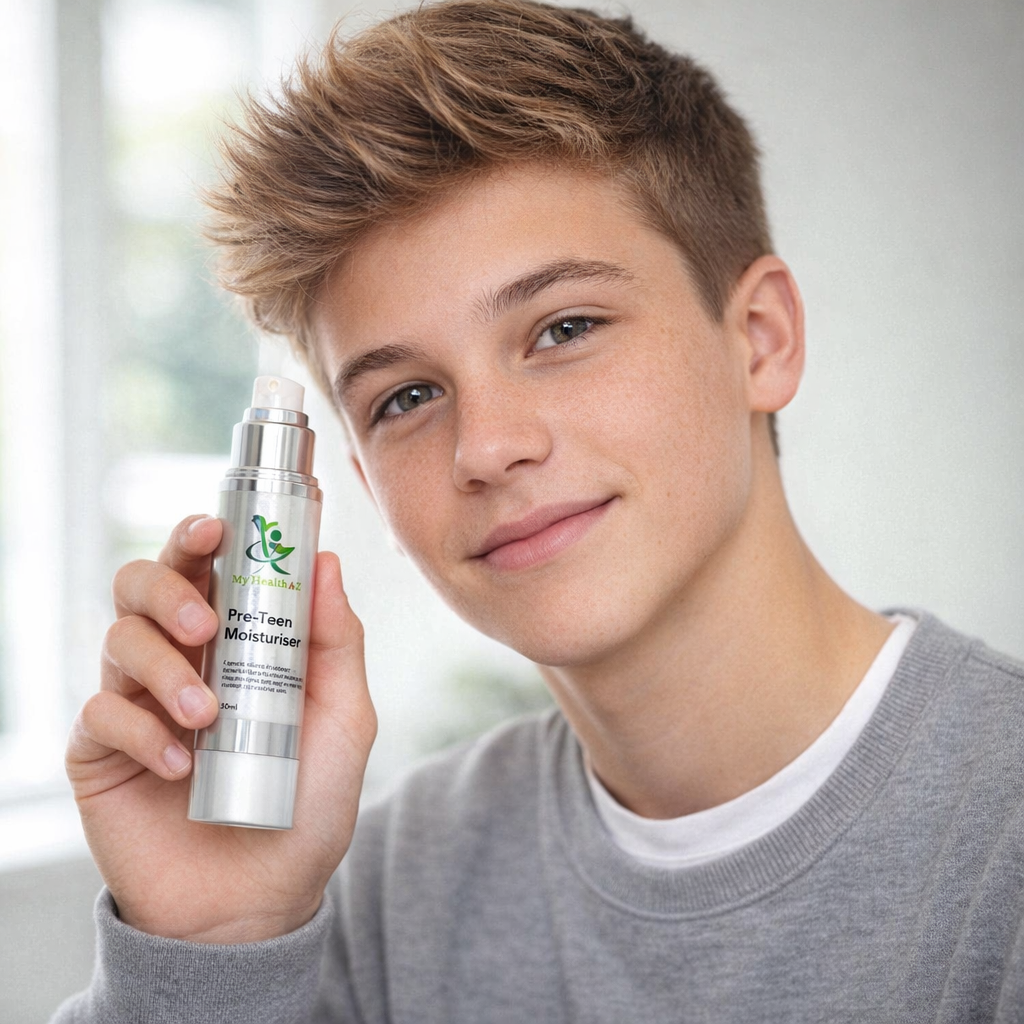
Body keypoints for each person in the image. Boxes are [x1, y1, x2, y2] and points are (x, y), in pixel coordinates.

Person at [55, 1, 1024, 1020]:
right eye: (407, 399)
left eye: (562, 328)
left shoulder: (996, 839)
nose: (484, 446)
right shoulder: (387, 886)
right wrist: (210, 952)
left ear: (761, 339)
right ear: (364, 481)